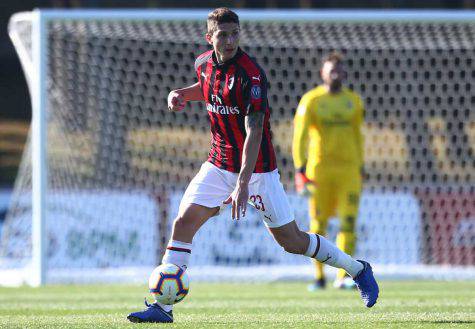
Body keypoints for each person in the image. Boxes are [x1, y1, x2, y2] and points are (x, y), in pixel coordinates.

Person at [128, 8, 378, 323]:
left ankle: (356, 269)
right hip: (217, 165)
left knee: (292, 241)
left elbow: (255, 131)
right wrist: (180, 94)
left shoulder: (251, 74)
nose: (230, 40)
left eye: (235, 34)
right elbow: (205, 88)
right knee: (183, 222)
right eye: (223, 35)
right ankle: (162, 307)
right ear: (210, 38)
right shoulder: (203, 64)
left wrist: (243, 183)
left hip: (257, 171)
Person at [292, 52, 365, 291]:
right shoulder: (311, 101)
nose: (334, 74)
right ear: (322, 73)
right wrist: (300, 169)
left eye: (338, 70)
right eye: (330, 70)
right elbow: (300, 137)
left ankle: (342, 277)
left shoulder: (353, 101)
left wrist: (361, 166)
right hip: (319, 172)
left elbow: (357, 136)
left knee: (348, 223)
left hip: (349, 172)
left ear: (344, 73)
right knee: (318, 224)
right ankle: (319, 277)